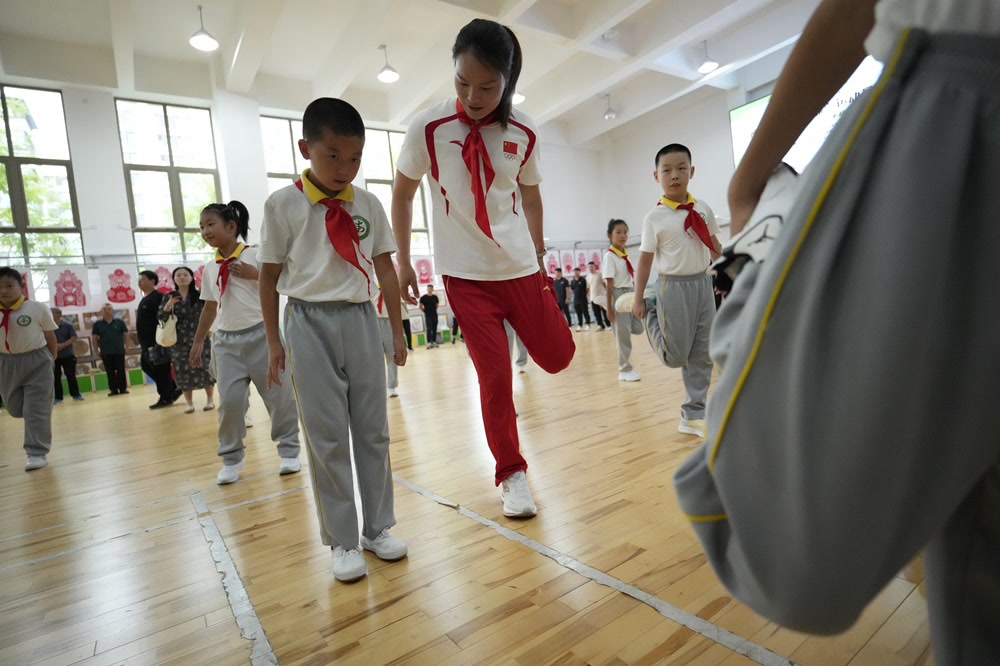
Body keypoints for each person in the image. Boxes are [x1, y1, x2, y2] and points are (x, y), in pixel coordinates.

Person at [672, 1, 1000, 662]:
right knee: (796, 568)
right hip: (961, 86)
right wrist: (751, 182)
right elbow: (852, 7)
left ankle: (766, 246)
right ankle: (766, 245)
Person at [392, 18, 575, 518]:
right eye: (462, 81)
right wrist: (405, 260)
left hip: (519, 267)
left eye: (487, 86)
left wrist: (538, 256)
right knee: (494, 379)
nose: (472, 95)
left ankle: (544, 329)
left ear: (508, 81)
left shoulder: (525, 131)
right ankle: (511, 474)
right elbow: (403, 194)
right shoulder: (427, 128)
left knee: (558, 357)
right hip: (464, 275)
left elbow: (532, 196)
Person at [259, 97, 408, 583]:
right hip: (307, 322)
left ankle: (377, 528)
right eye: (332, 156)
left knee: (373, 430)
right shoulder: (283, 204)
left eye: (355, 159)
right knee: (325, 437)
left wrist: (396, 328)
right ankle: (342, 540)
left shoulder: (367, 204)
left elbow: (386, 267)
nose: (345, 168)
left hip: (362, 320)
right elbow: (267, 277)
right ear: (305, 148)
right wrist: (274, 342)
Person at [189, 201, 301, 486]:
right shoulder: (211, 268)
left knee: (279, 398)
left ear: (230, 227)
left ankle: (289, 451)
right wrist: (199, 341)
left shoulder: (256, 255)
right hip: (226, 343)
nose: (205, 231)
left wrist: (256, 275)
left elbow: (283, 283)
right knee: (229, 402)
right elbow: (209, 308)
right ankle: (231, 458)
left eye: (210, 224)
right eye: (201, 227)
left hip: (263, 337)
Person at [625, 143, 721, 438]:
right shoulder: (654, 218)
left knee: (703, 354)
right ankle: (650, 313)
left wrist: (732, 273)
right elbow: (644, 262)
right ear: (657, 176)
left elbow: (716, 247)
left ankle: (693, 413)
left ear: (691, 172)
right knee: (675, 357)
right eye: (667, 170)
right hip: (672, 287)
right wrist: (640, 297)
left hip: (703, 284)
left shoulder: (702, 209)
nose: (675, 175)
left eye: (681, 169)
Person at [0, 266, 57, 471]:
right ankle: (37, 415)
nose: (4, 291)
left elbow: (50, 336)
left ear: (21, 286)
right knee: (15, 409)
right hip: (6, 363)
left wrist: (51, 359)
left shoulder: (36, 308)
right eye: (0, 287)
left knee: (35, 409)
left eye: (9, 285)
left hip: (37, 361)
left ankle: (36, 453)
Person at [159, 266, 216, 413]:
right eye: (179, 275)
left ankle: (210, 400)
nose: (182, 277)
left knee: (205, 369)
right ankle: (189, 403)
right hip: (178, 341)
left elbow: (211, 312)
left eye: (185, 275)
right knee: (182, 371)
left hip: (200, 337)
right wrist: (169, 305)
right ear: (174, 279)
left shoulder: (199, 295)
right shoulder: (169, 297)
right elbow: (161, 317)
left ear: (191, 278)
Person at [603, 220, 643, 382]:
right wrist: (609, 308)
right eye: (618, 232)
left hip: (629, 293)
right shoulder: (609, 256)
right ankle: (624, 370)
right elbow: (609, 284)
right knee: (623, 336)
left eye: (625, 232)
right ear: (610, 235)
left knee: (639, 327)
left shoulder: (624, 255)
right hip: (617, 295)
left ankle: (621, 330)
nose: (623, 235)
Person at [136, 270, 179, 409]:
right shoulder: (145, 298)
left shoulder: (158, 297)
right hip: (146, 343)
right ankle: (173, 389)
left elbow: (163, 318)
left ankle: (166, 397)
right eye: (139, 279)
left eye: (142, 279)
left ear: (152, 281)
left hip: (157, 341)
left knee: (161, 369)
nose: (139, 282)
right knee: (146, 365)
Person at [91, 303, 129, 396]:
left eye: (109, 309)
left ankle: (123, 389)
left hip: (119, 350)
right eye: (105, 309)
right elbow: (95, 338)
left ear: (112, 310)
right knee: (109, 371)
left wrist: (127, 347)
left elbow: (126, 335)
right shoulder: (97, 324)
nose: (107, 311)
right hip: (105, 352)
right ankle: (113, 390)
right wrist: (96, 350)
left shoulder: (120, 322)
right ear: (102, 311)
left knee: (121, 370)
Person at [373, 285, 400, 398]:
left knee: (391, 354)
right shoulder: (371, 288)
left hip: (389, 321)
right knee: (374, 357)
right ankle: (376, 386)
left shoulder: (391, 288)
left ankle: (391, 386)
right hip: (374, 320)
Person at [51, 307, 83, 403]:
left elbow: (73, 337)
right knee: (55, 377)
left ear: (59, 314)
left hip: (68, 355)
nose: (51, 315)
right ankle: (58, 397)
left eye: (53, 313)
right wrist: (55, 346)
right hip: (53, 356)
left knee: (71, 376)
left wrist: (62, 345)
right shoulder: (47, 326)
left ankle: (76, 394)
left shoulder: (68, 325)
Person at [586, 261, 610, 331]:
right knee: (596, 313)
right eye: (589, 267)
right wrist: (587, 293)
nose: (591, 268)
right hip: (593, 297)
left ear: (594, 267)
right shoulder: (587, 277)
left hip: (601, 295)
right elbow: (588, 287)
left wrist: (607, 292)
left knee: (604, 311)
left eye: (592, 266)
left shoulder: (599, 274)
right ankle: (600, 325)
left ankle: (608, 325)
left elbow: (604, 284)